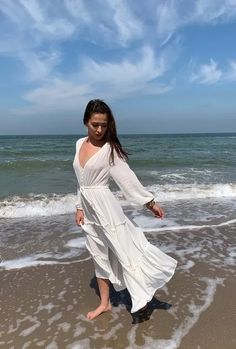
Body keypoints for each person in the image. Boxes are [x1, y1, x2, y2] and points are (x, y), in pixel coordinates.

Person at [73, 99, 177, 321]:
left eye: (104, 124)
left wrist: (150, 203)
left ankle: (142, 299)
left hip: (107, 210)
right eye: (95, 124)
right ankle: (104, 304)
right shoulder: (78, 143)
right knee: (98, 255)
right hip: (89, 212)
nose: (100, 129)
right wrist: (79, 207)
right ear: (85, 122)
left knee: (125, 252)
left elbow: (128, 180)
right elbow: (81, 181)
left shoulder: (110, 150)